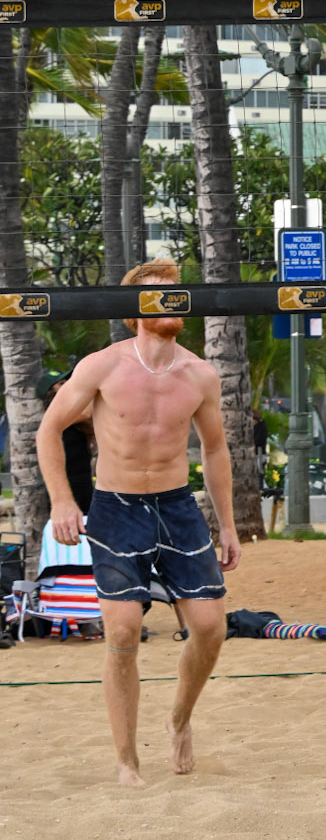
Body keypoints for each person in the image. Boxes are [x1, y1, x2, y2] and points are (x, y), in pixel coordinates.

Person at [34, 259, 241, 787]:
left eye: (175, 292)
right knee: (123, 631)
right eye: (156, 295)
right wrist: (62, 501)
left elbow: (215, 449)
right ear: (134, 311)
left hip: (176, 507)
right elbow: (49, 430)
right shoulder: (102, 366)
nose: (171, 300)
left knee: (210, 627)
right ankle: (127, 761)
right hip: (116, 506)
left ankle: (180, 719)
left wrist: (229, 525)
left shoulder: (200, 373)